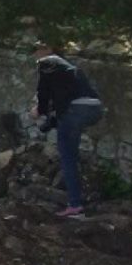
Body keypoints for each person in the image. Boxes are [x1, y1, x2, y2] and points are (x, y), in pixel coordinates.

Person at [32, 41, 103, 218]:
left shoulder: (48, 63)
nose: (35, 54)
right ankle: (79, 199)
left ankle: (75, 205)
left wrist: (37, 111)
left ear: (48, 49)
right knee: (71, 152)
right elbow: (60, 101)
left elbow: (44, 94)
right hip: (94, 108)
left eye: (37, 50)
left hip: (76, 109)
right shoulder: (68, 67)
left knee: (67, 156)